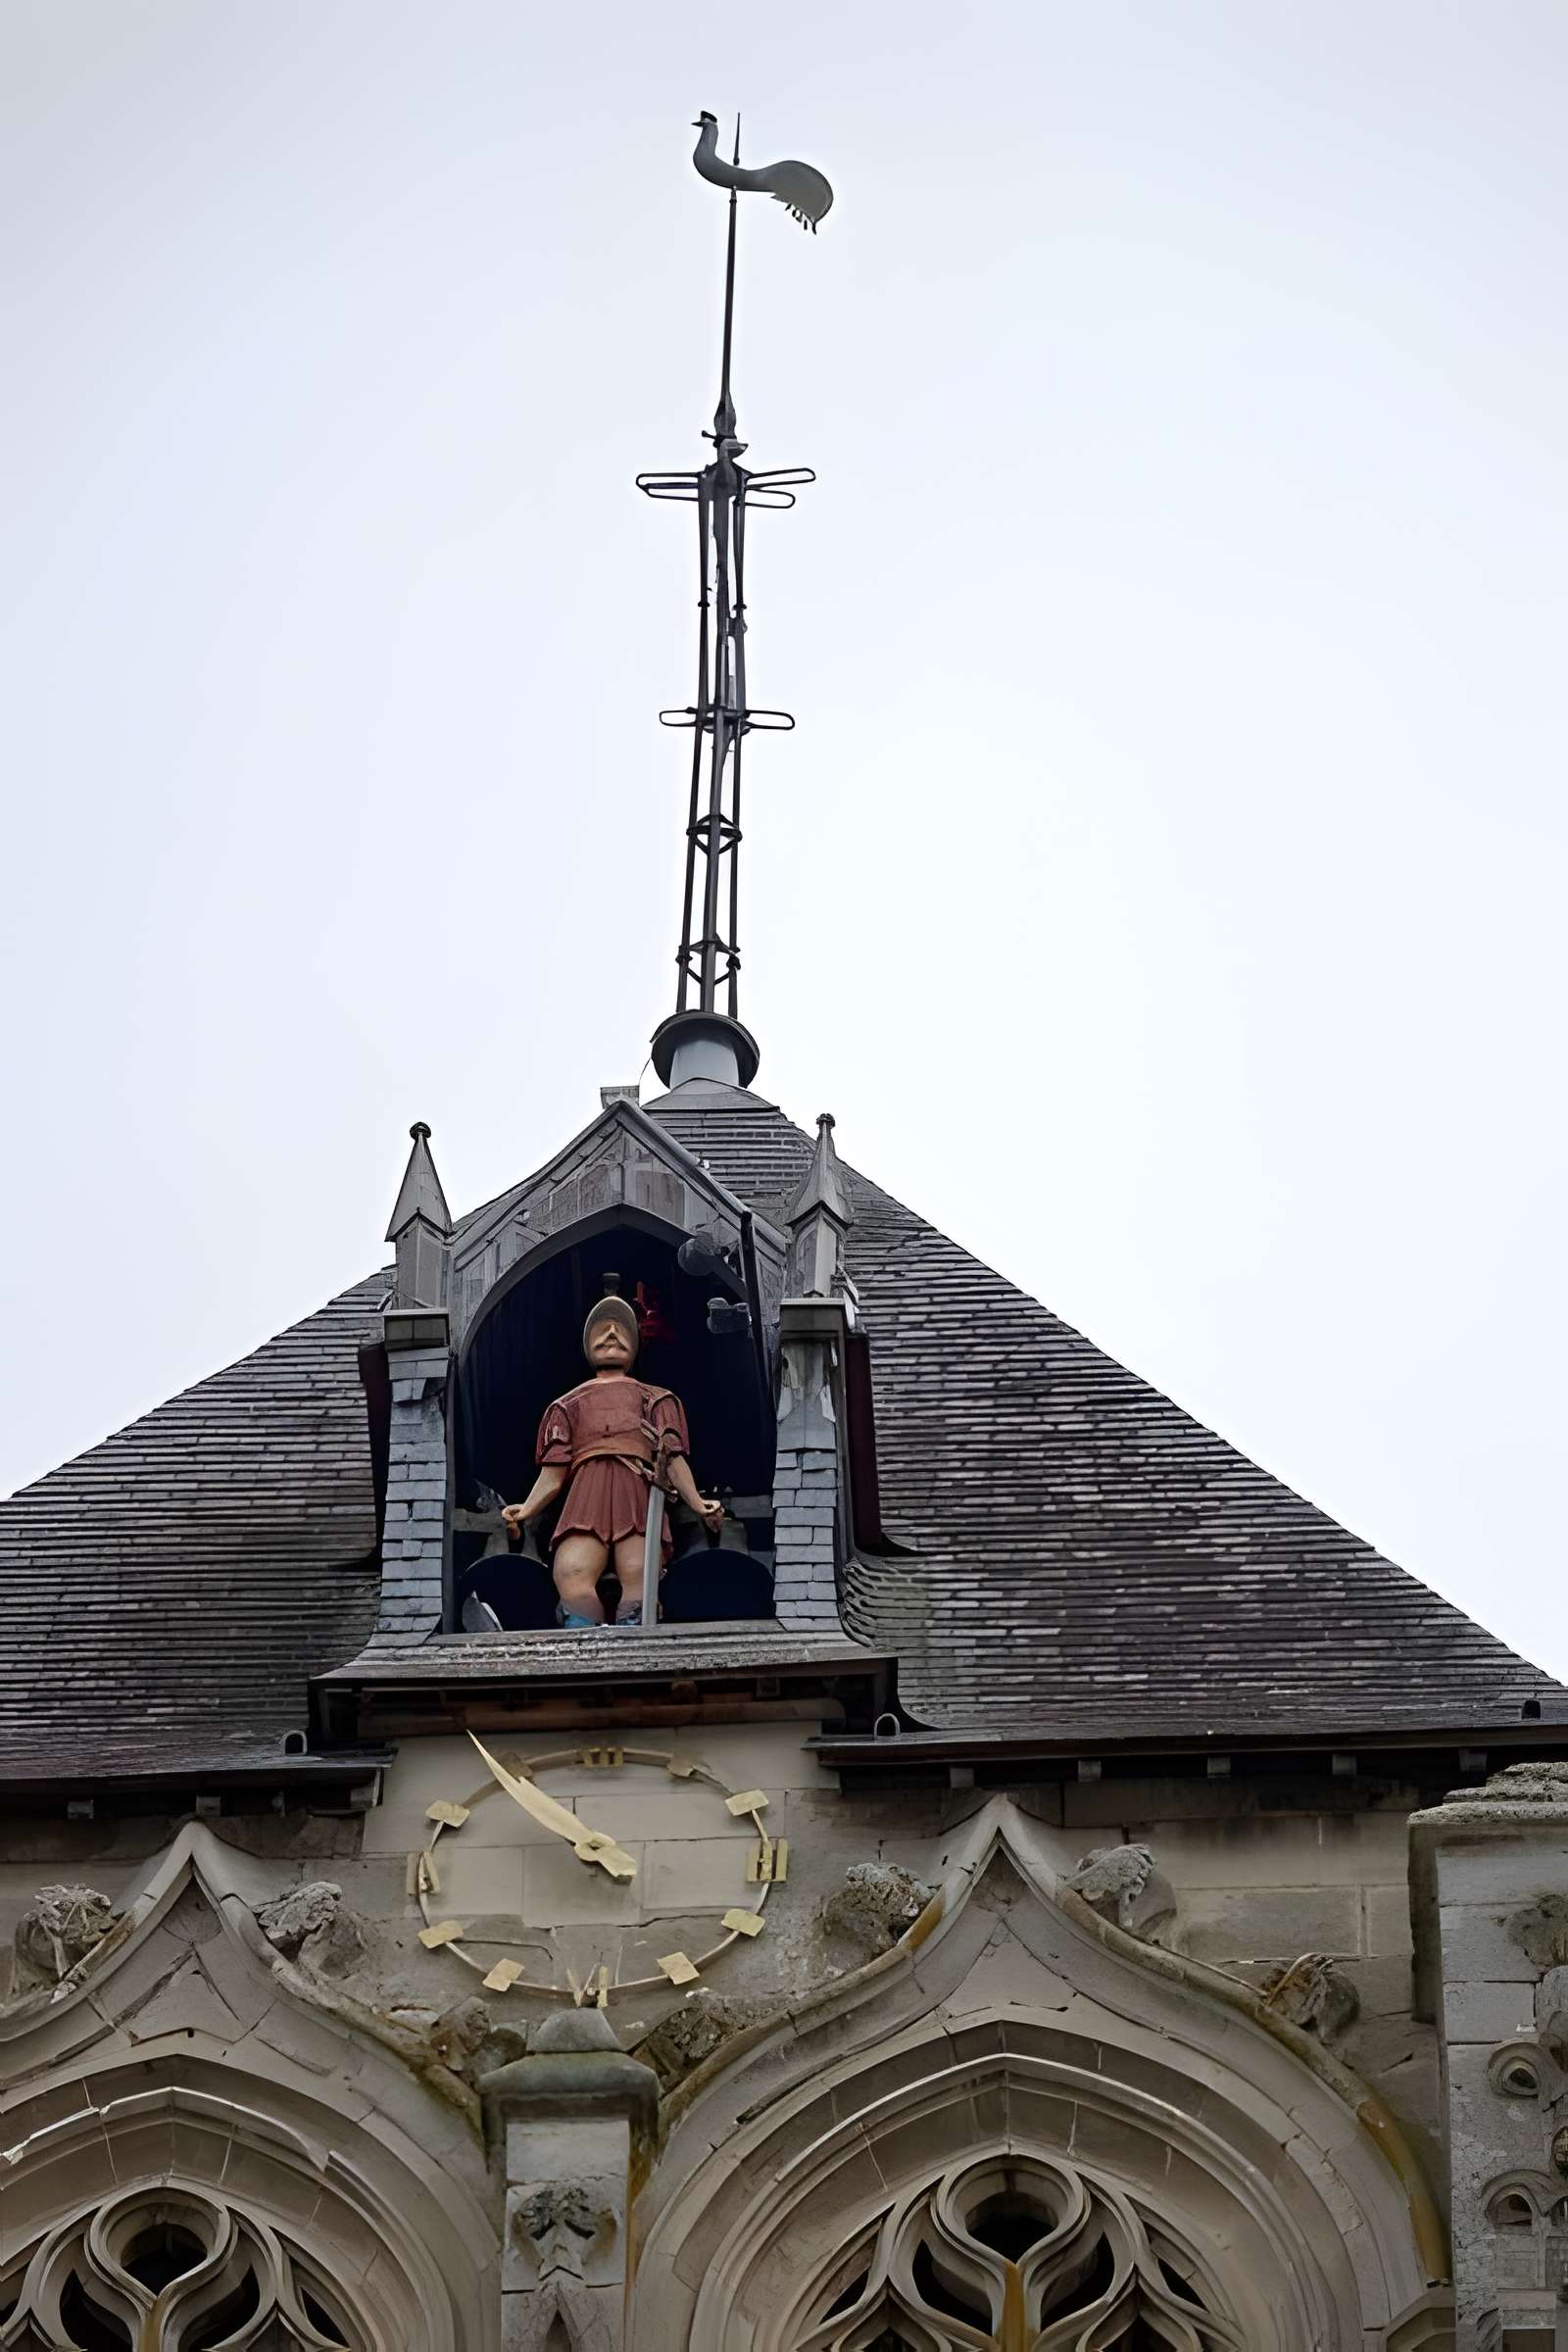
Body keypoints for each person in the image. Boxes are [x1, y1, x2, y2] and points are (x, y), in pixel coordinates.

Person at [501, 1293, 722, 1627]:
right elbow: (553, 1474)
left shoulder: (657, 1400)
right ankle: (585, 1645)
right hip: (585, 1497)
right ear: (586, 1345)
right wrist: (526, 1509)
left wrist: (697, 1501)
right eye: (602, 1329)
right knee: (572, 1572)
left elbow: (672, 1460)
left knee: (639, 1572)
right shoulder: (566, 1406)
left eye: (621, 1329)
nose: (611, 1333)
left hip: (634, 1491)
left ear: (635, 1346)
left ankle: (632, 1646)